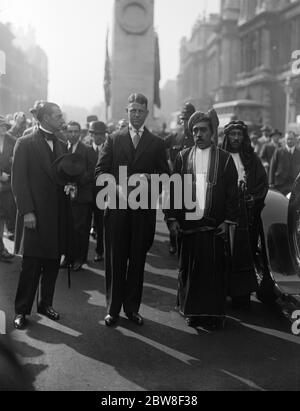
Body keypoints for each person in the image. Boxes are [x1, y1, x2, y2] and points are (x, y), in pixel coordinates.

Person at [95, 93, 169, 327]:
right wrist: (114, 187)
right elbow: (99, 172)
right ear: (126, 112)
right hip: (117, 210)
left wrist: (150, 177)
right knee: (115, 261)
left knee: (137, 261)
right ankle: (112, 309)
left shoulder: (156, 143)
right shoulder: (114, 139)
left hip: (143, 212)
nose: (136, 114)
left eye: (140, 111)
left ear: (146, 113)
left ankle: (132, 309)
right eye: (133, 110)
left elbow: (166, 176)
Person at [165, 110, 239, 330]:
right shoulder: (183, 156)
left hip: (215, 226)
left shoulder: (225, 158)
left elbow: (232, 193)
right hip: (189, 226)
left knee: (214, 270)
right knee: (191, 270)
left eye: (203, 130)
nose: (198, 134)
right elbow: (174, 189)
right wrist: (172, 217)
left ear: (212, 132)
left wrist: (227, 221)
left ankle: (214, 314)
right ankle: (192, 311)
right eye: (195, 130)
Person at [12, 102, 69, 330]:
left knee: (52, 263)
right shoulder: (24, 143)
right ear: (45, 118)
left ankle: (46, 304)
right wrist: (27, 211)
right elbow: (19, 181)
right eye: (57, 116)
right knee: (31, 265)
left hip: (56, 215)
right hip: (35, 215)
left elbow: (65, 175)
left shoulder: (63, 144)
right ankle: (21, 310)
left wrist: (70, 186)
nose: (61, 119)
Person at [223, 120, 269, 308]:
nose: (236, 138)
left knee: (244, 252)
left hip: (246, 217)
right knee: (224, 253)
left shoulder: (252, 158)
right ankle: (222, 290)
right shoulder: (220, 156)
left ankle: (241, 294)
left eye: (239, 134)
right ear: (227, 136)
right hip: (224, 215)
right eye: (232, 134)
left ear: (244, 137)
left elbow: (262, 184)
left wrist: (253, 198)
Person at [164, 102, 196, 255]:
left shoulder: (200, 138)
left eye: (189, 119)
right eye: (184, 119)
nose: (186, 122)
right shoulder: (174, 137)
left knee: (189, 215)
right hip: (174, 182)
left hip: (193, 183)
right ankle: (172, 241)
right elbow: (156, 147)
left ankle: (186, 243)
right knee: (171, 213)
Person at [65, 121, 95, 271]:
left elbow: (92, 171)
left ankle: (80, 258)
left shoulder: (88, 150)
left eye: (76, 131)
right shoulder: (64, 148)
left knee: (81, 229)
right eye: (70, 131)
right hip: (67, 195)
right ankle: (68, 257)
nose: (73, 134)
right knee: (68, 227)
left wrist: (76, 180)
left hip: (83, 196)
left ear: (80, 133)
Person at [89, 121, 108, 262]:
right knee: (83, 224)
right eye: (96, 134)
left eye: (101, 134)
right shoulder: (85, 149)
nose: (99, 137)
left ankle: (100, 251)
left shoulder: (108, 149)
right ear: (91, 135)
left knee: (101, 224)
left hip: (103, 193)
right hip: (87, 192)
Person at [0, 116, 16, 261]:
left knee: (4, 216)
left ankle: (2, 248)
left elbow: (19, 161)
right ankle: (1, 249)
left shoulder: (12, 140)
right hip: (2, 180)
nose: (2, 128)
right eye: (0, 125)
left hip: (7, 187)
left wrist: (11, 165)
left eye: (4, 125)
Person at [269, 131, 300, 196]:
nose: (289, 141)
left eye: (291, 139)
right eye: (288, 139)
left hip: (294, 184)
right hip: (280, 184)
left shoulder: (299, 152)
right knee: (280, 204)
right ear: (285, 140)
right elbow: (272, 167)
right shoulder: (278, 151)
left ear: (295, 139)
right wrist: (271, 182)